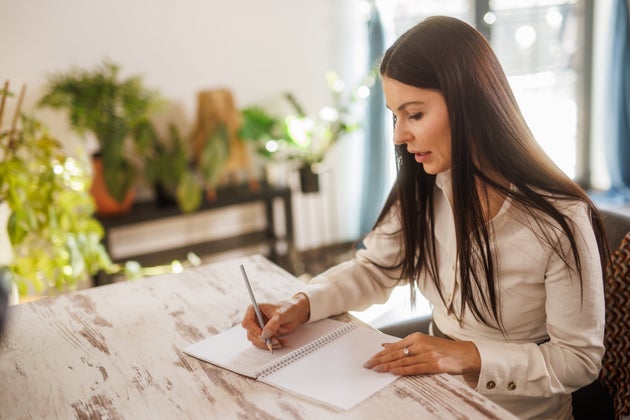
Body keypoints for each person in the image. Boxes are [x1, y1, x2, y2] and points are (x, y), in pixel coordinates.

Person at [242, 16, 608, 420]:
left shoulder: (558, 221)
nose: (399, 135)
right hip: (430, 396)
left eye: (414, 114)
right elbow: (377, 270)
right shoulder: (424, 186)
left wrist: (467, 356)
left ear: (470, 104)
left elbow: (578, 360)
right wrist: (302, 303)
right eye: (395, 116)